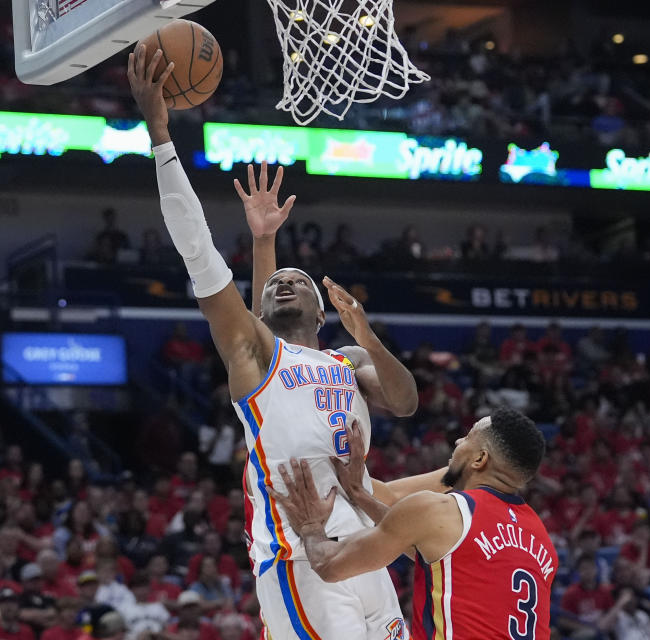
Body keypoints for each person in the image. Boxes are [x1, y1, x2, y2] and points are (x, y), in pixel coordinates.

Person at [129, 46, 420, 640]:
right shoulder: (257, 358)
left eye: (299, 281)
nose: (287, 282)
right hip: (300, 557)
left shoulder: (348, 358)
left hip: (370, 550)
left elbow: (405, 400)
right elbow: (202, 257)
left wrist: (365, 332)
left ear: (321, 309)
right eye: (278, 282)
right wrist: (161, 136)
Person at [269, 406, 556, 640]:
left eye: (468, 437)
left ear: (480, 459)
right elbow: (441, 557)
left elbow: (330, 566)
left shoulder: (440, 510)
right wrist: (360, 495)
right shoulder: (542, 539)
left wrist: (310, 528)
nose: (458, 442)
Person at [116, 572, 169, 640]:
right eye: (138, 588)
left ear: (149, 588)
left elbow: (167, 630)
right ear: (131, 590)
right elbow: (119, 634)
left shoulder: (159, 607)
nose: (142, 591)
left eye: (144, 587)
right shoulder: (123, 608)